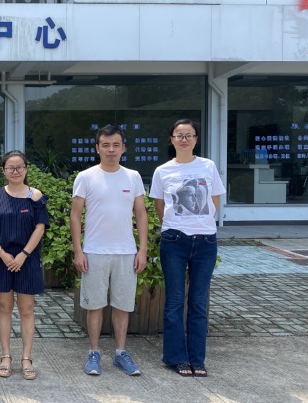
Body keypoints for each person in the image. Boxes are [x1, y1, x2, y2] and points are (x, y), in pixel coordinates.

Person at [70, 125, 148, 376]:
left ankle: (120, 353)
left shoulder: (133, 177)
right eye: (105, 145)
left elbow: (141, 213)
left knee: (122, 305)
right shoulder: (85, 177)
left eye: (116, 145)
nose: (111, 149)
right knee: (94, 306)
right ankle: (94, 353)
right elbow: (75, 215)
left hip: (126, 252)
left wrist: (142, 249)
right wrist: (78, 251)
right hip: (94, 251)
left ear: (123, 148)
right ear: (97, 148)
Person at [150, 119, 226, 378]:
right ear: (171, 139)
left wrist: (200, 223)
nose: (184, 139)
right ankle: (176, 357)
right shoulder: (162, 171)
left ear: (196, 139)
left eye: (189, 135)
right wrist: (176, 224)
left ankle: (197, 358)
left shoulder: (208, 166)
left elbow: (214, 200)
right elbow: (160, 205)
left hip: (206, 241)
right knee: (174, 301)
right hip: (174, 241)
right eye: (179, 135)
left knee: (198, 302)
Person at [0, 151, 49, 380]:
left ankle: (26, 358)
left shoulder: (35, 197)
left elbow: (40, 227)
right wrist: (2, 253)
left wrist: (23, 255)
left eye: (19, 167)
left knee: (26, 309)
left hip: (27, 260)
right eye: (10, 168)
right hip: (2, 260)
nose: (15, 171)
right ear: (4, 171)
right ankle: (6, 356)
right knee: (4, 307)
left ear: (26, 169)